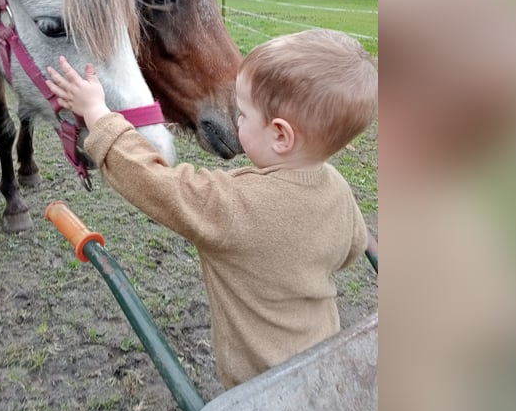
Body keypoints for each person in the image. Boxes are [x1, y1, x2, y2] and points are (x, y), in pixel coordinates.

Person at [46, 28, 378, 389]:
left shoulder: (235, 205)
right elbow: (351, 251)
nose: (236, 121)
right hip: (326, 361)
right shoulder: (339, 191)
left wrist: (97, 113)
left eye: (244, 115)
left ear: (281, 135)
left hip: (260, 387)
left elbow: (153, 183)